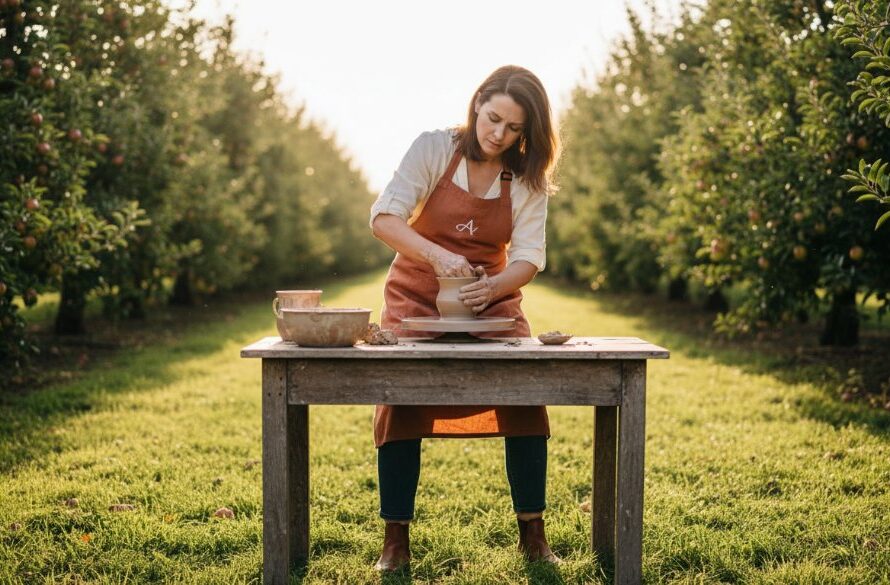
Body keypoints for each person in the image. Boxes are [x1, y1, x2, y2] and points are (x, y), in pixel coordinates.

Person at [368, 65, 561, 571]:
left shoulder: (526, 176)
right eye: (493, 118)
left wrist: (493, 287)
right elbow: (384, 218)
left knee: (524, 396)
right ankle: (395, 541)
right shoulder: (434, 148)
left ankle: (533, 535)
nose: (498, 135)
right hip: (416, 294)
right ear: (477, 103)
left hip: (491, 298)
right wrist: (438, 257)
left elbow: (529, 256)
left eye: (514, 128)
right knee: (401, 401)